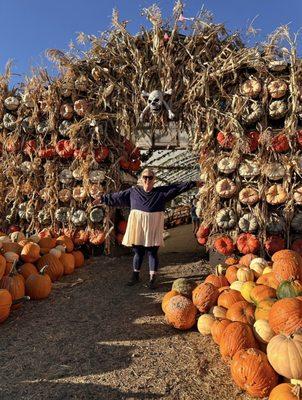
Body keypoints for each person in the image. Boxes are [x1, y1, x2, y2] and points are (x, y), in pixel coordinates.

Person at [93, 168, 203, 289]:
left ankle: (152, 279)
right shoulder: (133, 192)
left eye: (150, 177)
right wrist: (102, 199)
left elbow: (176, 188)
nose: (147, 180)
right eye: (145, 177)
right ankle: (135, 276)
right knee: (138, 252)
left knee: (152, 253)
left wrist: (193, 183)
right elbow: (117, 197)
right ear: (141, 179)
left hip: (153, 227)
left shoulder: (161, 193)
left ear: (154, 180)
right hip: (138, 226)